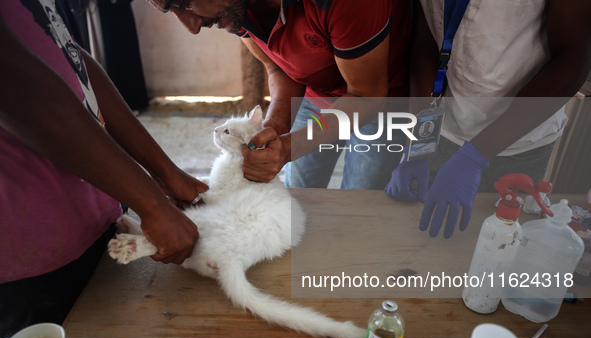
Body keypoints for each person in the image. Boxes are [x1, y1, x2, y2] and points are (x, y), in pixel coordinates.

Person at [0, 0, 209, 338]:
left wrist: (164, 171)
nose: (193, 25)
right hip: (34, 244)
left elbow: (69, 54)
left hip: (92, 215)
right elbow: (15, 86)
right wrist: (152, 202)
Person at [145, 0, 413, 189]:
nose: (191, 26)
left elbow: (366, 95)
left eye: (183, 2)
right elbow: (278, 66)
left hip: (379, 102)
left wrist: (290, 145)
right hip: (315, 94)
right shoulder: (234, 8)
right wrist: (276, 127)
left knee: (358, 205)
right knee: (299, 193)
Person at [385, 0, 591, 238]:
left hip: (516, 144)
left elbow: (574, 57)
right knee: (418, 242)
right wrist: (420, 143)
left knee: (498, 248)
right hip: (444, 128)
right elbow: (428, 41)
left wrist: (475, 156)